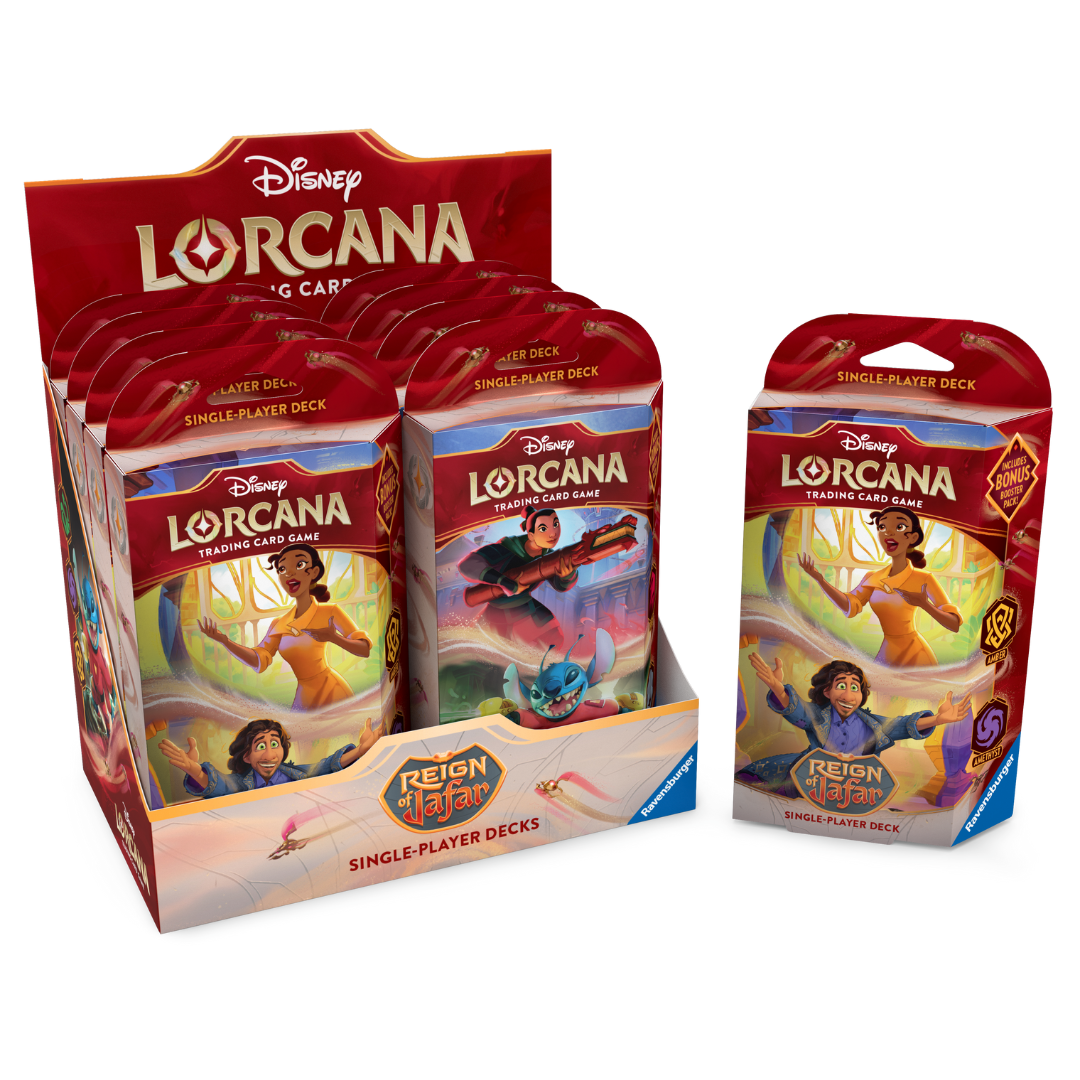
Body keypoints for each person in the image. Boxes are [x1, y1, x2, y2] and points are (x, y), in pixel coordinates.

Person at [735, 654, 970, 797]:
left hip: (856, 789)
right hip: (808, 782)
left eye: (855, 687)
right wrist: (778, 689)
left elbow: (901, 725)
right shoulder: (818, 715)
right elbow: (798, 710)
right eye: (841, 686)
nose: (848, 695)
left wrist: (937, 719)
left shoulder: (871, 724)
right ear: (827, 691)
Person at [198, 544, 371, 710]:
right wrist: (225, 641)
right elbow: (258, 661)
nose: (289, 573)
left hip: (332, 690)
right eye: (282, 569)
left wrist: (334, 638)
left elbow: (364, 649)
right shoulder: (279, 623)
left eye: (299, 564)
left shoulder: (330, 611)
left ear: (314, 572)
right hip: (304, 694)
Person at [798, 506, 961, 667]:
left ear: (913, 537)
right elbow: (849, 605)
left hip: (916, 653)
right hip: (888, 649)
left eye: (899, 526)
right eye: (882, 527)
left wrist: (925, 605)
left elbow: (954, 624)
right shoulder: (873, 577)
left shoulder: (924, 578)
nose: (888, 532)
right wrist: (820, 579)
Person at [160, 717, 382, 799]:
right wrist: (194, 770)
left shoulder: (295, 774)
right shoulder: (240, 783)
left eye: (275, 744)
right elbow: (222, 785)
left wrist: (360, 751)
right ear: (247, 756)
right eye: (260, 746)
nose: (269, 754)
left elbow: (325, 766)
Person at [458, 506, 578, 647]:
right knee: (489, 650)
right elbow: (467, 564)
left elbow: (560, 585)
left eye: (555, 524)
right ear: (531, 535)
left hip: (526, 606)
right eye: (543, 529)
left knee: (554, 638)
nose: (553, 533)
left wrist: (567, 575)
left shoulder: (549, 556)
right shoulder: (506, 548)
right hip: (496, 611)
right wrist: (504, 582)